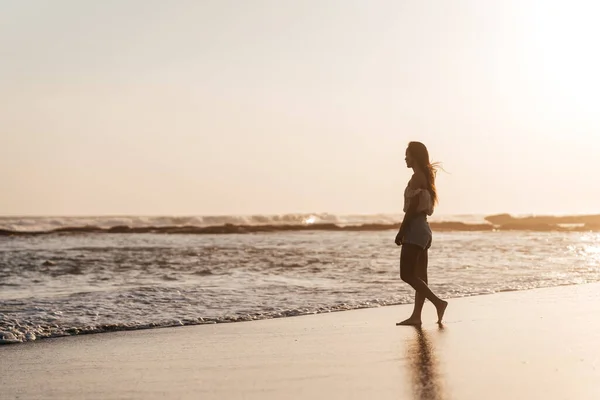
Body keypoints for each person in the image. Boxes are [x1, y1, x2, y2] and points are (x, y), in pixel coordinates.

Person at [395, 141, 448, 325]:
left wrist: (401, 231)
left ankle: (438, 303)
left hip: (415, 229)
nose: (405, 158)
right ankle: (416, 316)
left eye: (407, 154)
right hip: (424, 230)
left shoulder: (417, 177)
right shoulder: (425, 175)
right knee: (420, 276)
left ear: (414, 156)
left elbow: (412, 209)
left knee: (406, 274)